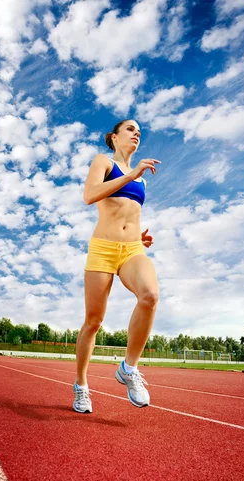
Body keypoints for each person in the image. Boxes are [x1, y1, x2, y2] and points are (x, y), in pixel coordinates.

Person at [73, 119, 160, 413]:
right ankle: (81, 386)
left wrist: (139, 237)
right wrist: (130, 174)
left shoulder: (142, 180)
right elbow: (89, 195)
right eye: (130, 129)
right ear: (114, 136)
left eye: (139, 131)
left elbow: (127, 214)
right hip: (102, 249)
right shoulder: (104, 162)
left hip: (133, 249)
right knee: (93, 322)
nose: (137, 133)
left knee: (150, 296)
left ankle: (129, 368)